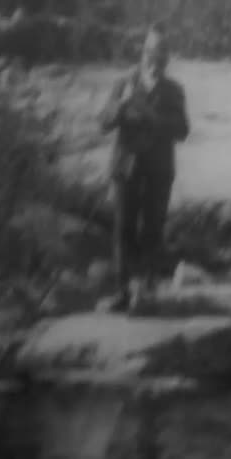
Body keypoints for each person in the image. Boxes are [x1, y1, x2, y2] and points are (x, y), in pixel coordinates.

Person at [97, 26, 189, 313]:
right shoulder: (124, 83)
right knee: (123, 230)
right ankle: (122, 292)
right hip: (126, 169)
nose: (155, 58)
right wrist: (122, 105)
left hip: (159, 171)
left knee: (153, 231)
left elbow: (183, 130)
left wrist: (154, 119)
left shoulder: (174, 91)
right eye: (150, 51)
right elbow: (103, 123)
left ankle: (147, 293)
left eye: (161, 53)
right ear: (142, 52)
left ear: (168, 57)